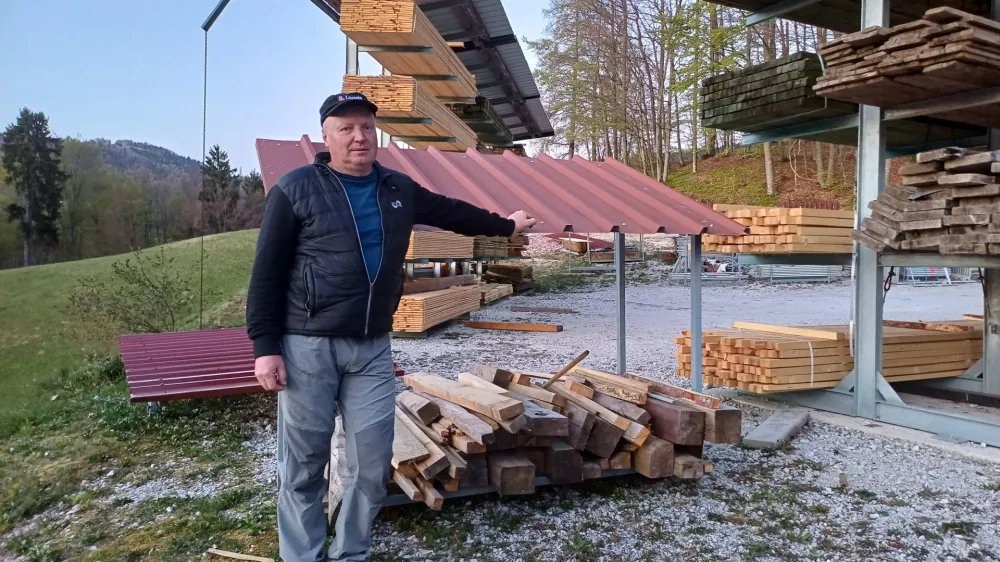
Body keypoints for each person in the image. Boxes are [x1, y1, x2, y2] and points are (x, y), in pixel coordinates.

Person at [245, 92, 536, 562]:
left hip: (372, 349)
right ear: (326, 135)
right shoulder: (296, 189)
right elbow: (266, 273)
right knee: (302, 465)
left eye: (366, 126)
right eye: (346, 128)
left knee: (372, 462)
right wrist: (265, 347)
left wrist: (506, 226)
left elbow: (451, 212)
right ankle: (302, 555)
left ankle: (351, 552)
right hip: (306, 347)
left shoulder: (396, 189)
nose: (359, 136)